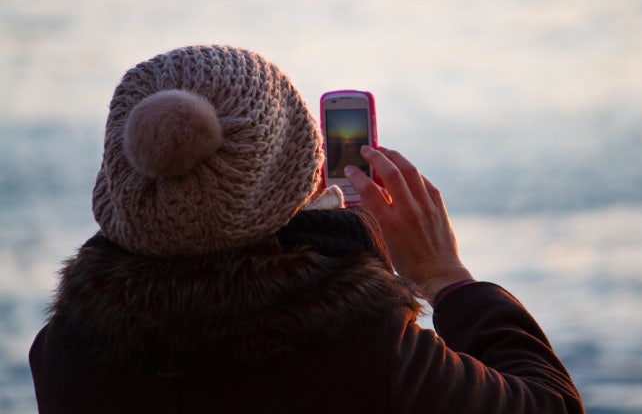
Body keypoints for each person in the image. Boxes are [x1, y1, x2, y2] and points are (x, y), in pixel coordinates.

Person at [29, 45, 585, 413]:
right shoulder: (369, 352)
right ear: (312, 173)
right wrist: (446, 277)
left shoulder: (62, 357)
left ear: (122, 180)